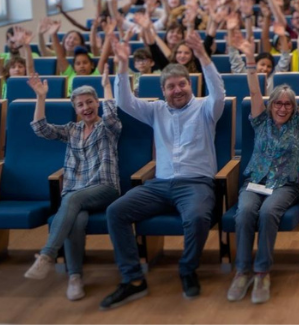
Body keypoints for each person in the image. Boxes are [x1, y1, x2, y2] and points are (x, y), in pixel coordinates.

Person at [101, 31, 225, 310]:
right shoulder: (156, 110)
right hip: (160, 185)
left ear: (190, 85)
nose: (177, 90)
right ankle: (133, 279)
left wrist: (203, 56)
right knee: (115, 212)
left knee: (196, 217)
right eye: (171, 86)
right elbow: (124, 103)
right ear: (163, 91)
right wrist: (122, 66)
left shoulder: (206, 108)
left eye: (182, 84)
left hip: (196, 184)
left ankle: (187, 269)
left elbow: (219, 91)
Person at [224, 34, 299, 304]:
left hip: (285, 185)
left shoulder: (298, 124)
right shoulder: (260, 120)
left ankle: (262, 271)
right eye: (278, 103)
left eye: (288, 104)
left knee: (267, 213)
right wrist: (250, 61)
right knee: (244, 214)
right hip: (255, 181)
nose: (283, 108)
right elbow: (254, 91)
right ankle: (242, 271)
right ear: (270, 104)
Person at [23, 69, 121, 301]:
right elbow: (40, 129)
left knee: (70, 199)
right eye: (80, 105)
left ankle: (47, 255)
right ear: (75, 109)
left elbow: (110, 115)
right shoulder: (72, 130)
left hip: (104, 188)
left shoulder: (108, 128)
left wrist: (107, 86)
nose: (86, 107)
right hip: (77, 195)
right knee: (76, 221)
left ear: (97, 103)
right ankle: (75, 277)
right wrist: (40, 97)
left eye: (90, 102)